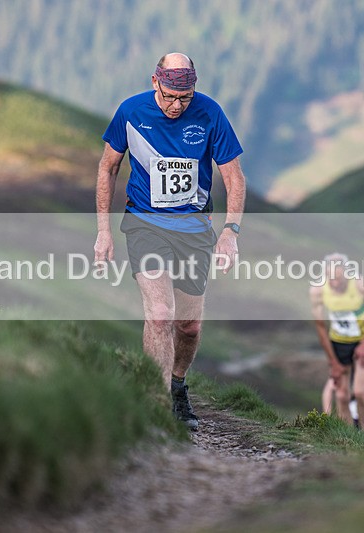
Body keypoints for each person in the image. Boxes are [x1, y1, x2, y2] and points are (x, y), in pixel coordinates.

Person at [94, 53, 246, 431]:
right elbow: (107, 167)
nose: (177, 105)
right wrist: (103, 231)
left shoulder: (210, 113)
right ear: (154, 82)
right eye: (169, 96)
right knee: (160, 314)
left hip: (195, 230)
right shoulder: (131, 112)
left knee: (188, 326)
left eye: (185, 97)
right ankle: (157, 401)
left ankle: (177, 384)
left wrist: (230, 232)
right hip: (145, 224)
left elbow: (235, 178)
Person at [310, 253, 364, 429]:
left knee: (359, 392)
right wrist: (333, 362)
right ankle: (349, 437)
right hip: (339, 343)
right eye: (331, 278)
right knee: (342, 396)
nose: (334, 283)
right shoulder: (318, 290)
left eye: (339, 279)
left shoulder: (362, 286)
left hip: (362, 342)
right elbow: (320, 327)